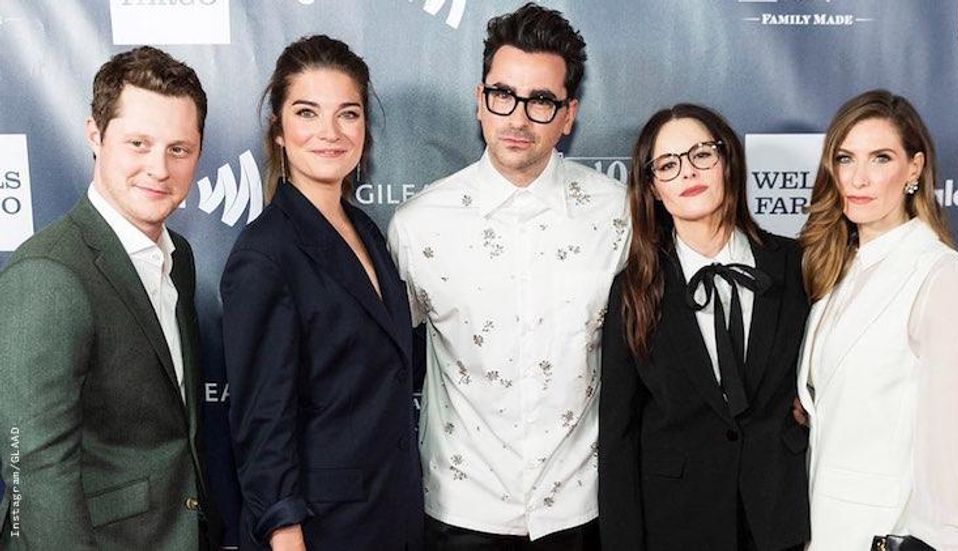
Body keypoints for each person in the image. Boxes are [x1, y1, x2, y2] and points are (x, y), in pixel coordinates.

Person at [387, 3, 628, 549]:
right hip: (458, 512)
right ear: (480, 102)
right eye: (503, 95)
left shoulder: (620, 215)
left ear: (569, 115)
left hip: (581, 513)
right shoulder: (419, 225)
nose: (518, 119)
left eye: (541, 101)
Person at [0, 46, 219, 550]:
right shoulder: (48, 274)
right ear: (95, 136)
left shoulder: (177, 256)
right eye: (138, 143)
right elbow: (33, 472)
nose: (159, 169)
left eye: (179, 149)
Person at [221, 35, 423, 551]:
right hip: (319, 529)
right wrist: (284, 532)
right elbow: (261, 421)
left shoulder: (367, 229)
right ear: (279, 131)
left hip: (388, 514)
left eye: (347, 114)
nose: (330, 133)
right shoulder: (264, 255)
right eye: (307, 113)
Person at [598, 104, 810, 551]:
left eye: (701, 155)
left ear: (727, 160)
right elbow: (618, 436)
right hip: (677, 525)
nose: (688, 173)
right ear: (653, 187)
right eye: (668, 165)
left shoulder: (797, 266)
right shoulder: (634, 290)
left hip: (783, 519)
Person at [797, 89, 958, 550]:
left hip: (889, 533)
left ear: (914, 168)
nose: (858, 178)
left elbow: (957, 446)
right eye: (845, 158)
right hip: (826, 525)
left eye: (880, 158)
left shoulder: (944, 276)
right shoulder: (839, 270)